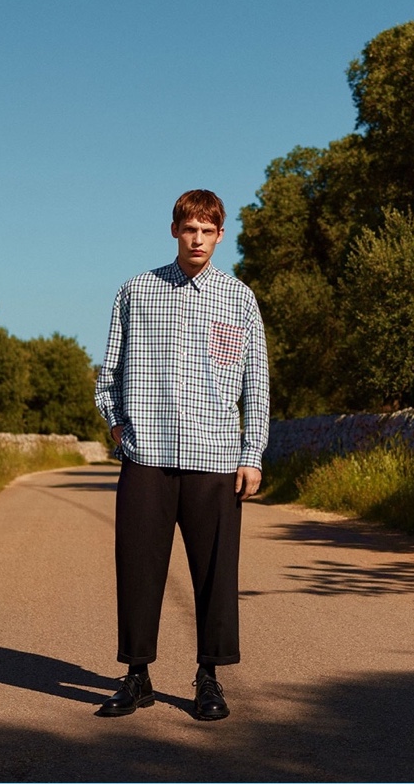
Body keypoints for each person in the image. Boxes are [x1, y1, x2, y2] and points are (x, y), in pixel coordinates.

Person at [94, 189, 270, 721]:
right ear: (175, 231)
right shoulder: (137, 291)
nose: (197, 239)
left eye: (207, 230)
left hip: (215, 459)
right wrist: (120, 428)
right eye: (189, 228)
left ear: (220, 235)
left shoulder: (239, 299)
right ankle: (137, 676)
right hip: (146, 455)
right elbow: (109, 373)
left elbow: (255, 383)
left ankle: (209, 680)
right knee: (139, 568)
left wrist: (252, 453)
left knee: (215, 574)